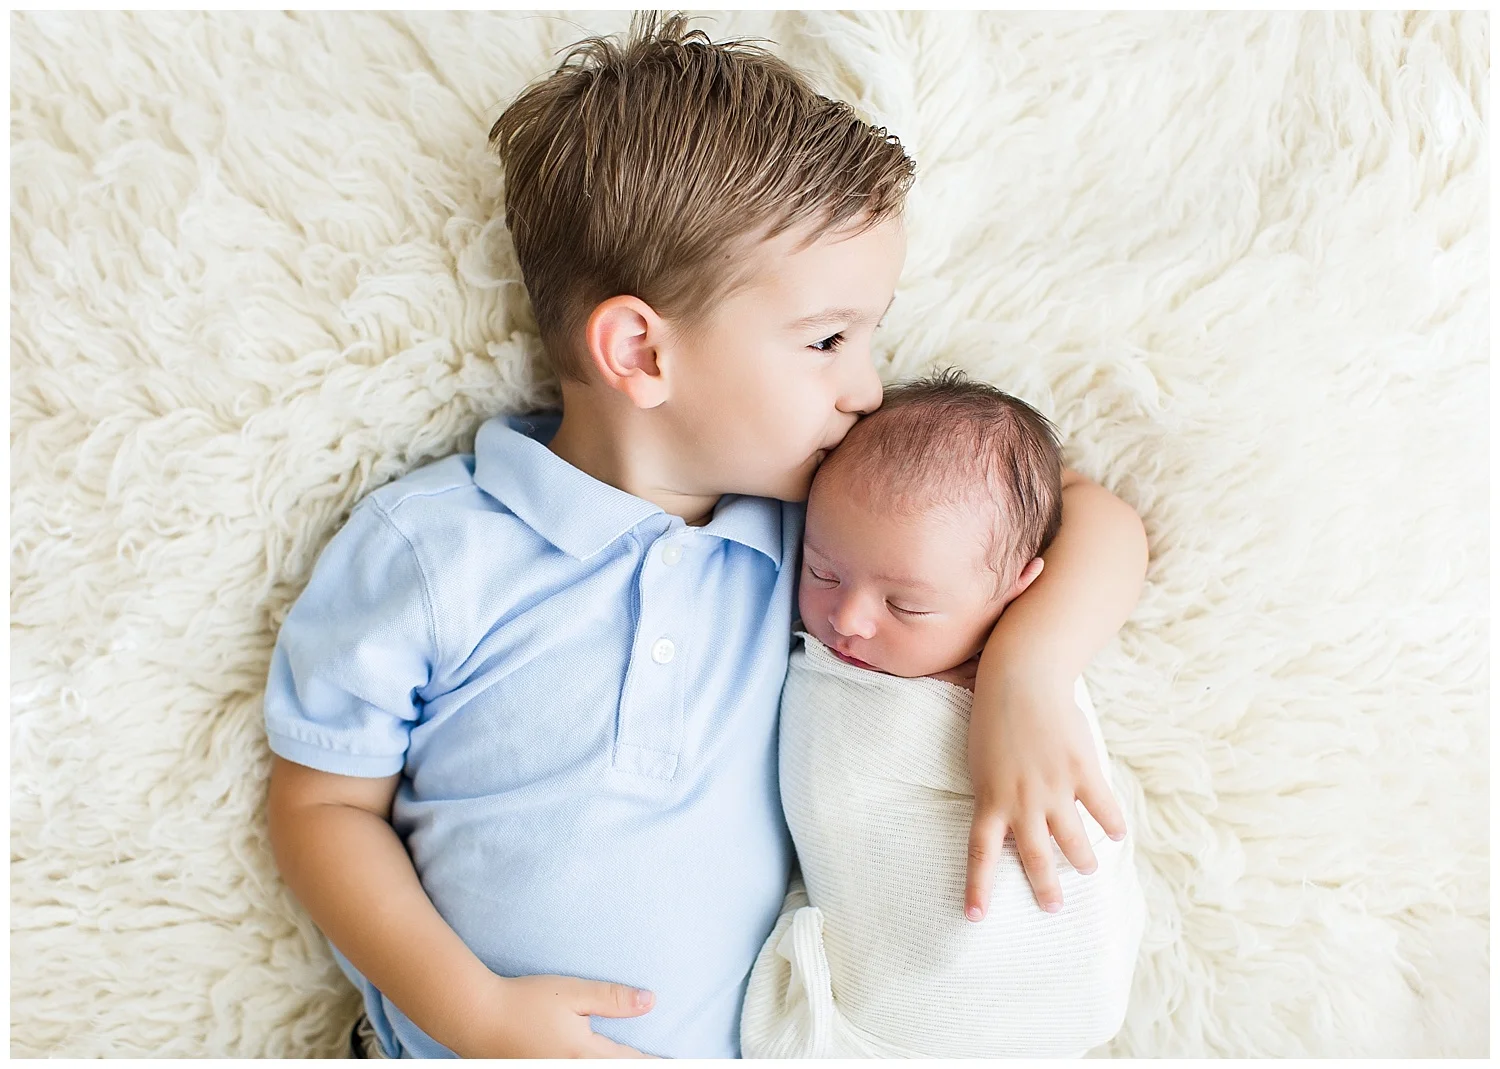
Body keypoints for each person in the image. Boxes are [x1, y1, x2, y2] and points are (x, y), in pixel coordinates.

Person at [262, 12, 1147, 1059]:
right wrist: (477, 1014)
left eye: (868, 336)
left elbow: (1090, 515)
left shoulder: (826, 539)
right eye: (827, 340)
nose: (867, 389)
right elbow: (320, 808)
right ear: (641, 352)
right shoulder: (434, 549)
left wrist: (1027, 673)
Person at [740, 371, 1145, 1057]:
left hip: (1035, 989)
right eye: (823, 572)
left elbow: (1095, 513)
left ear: (1016, 588)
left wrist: (1024, 672)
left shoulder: (1020, 630)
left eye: (907, 606)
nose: (847, 618)